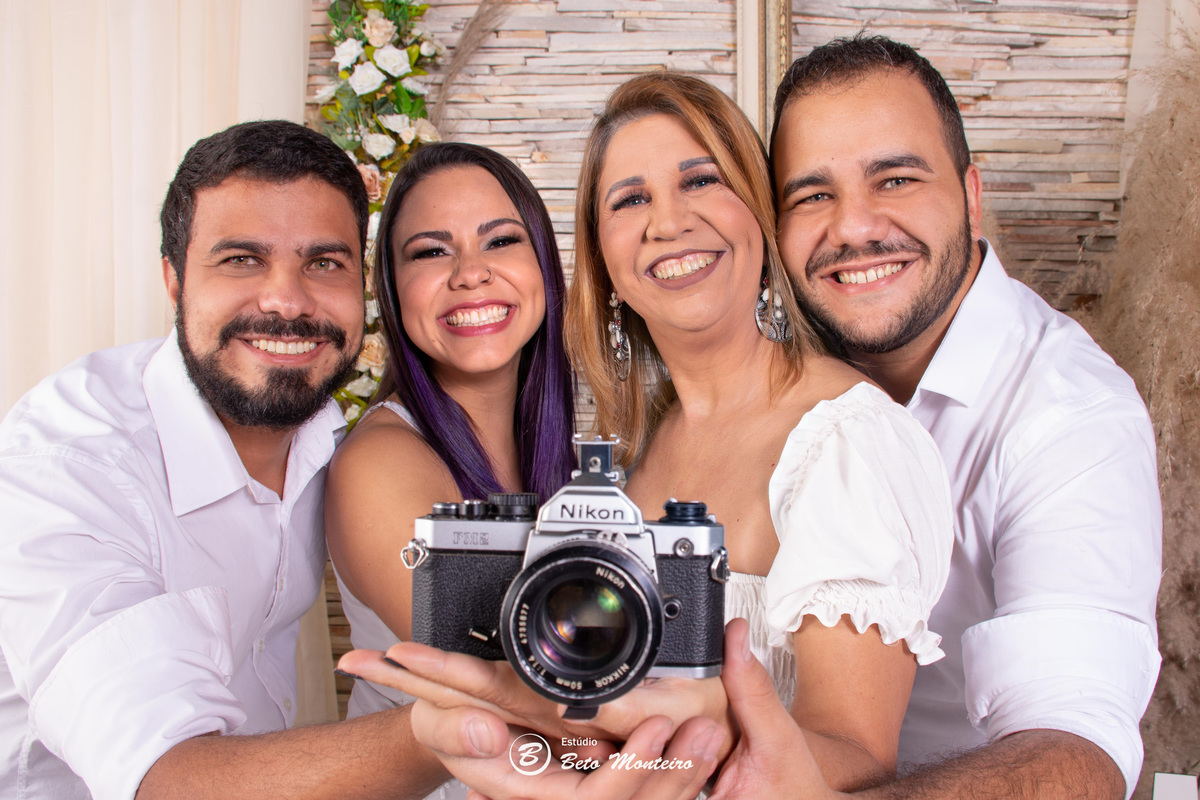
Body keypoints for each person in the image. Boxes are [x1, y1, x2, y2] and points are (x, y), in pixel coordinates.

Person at [340, 70, 955, 795]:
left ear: (758, 214)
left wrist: (707, 740)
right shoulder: (625, 453)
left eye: (700, 181)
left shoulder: (847, 442)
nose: (667, 222)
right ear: (603, 260)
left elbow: (860, 755)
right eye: (630, 199)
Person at [0, 120, 447, 799]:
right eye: (241, 259)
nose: (287, 302)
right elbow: (167, 780)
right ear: (174, 279)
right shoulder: (68, 467)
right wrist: (461, 731)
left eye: (324, 263)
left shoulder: (328, 435)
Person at [768, 34, 1162, 799]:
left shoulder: (1070, 413)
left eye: (896, 178)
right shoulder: (770, 373)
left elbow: (1079, 747)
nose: (852, 227)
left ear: (972, 195)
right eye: (812, 195)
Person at [323, 142, 577, 797]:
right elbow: (508, 689)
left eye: (500, 241)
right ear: (391, 289)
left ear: (544, 265)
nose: (470, 274)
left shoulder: (576, 464)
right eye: (432, 252)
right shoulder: (380, 461)